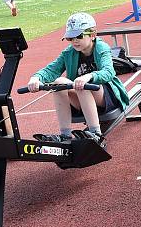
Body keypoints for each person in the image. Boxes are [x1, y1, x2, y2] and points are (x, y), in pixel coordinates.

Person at [27, 12, 130, 143]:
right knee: (59, 82)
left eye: (79, 36)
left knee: (81, 84)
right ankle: (65, 134)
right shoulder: (68, 53)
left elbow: (109, 72)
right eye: (70, 38)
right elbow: (51, 70)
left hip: (107, 98)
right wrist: (36, 78)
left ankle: (96, 133)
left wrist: (89, 76)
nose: (74, 41)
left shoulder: (102, 48)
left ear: (92, 35)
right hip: (81, 99)